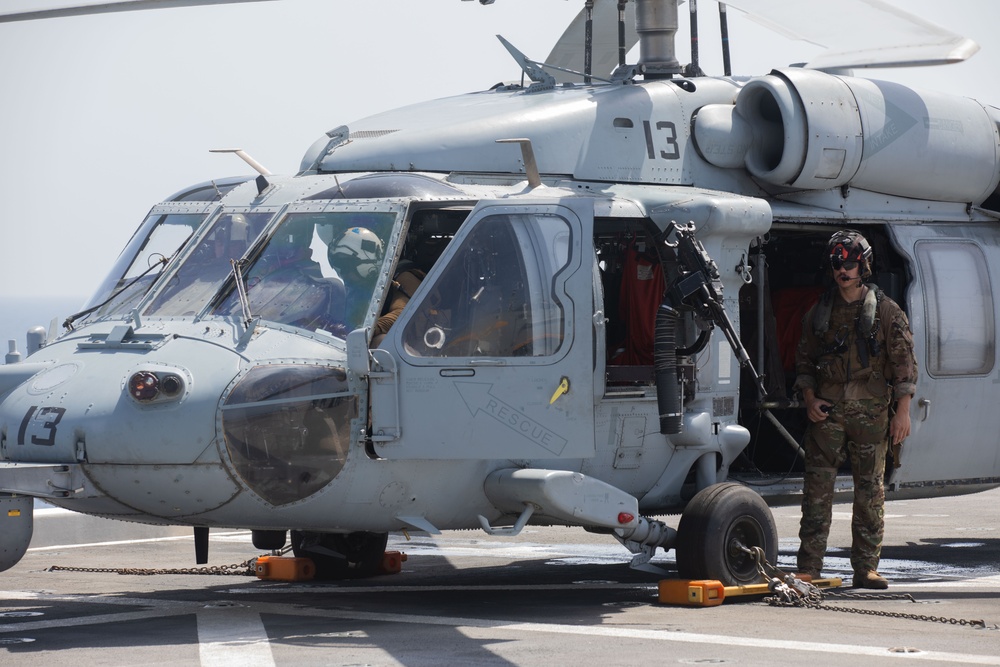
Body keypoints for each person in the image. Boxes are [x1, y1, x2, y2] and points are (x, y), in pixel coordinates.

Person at [793, 230, 917, 589]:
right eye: (837, 264)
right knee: (817, 491)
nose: (842, 270)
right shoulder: (820, 312)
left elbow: (905, 365)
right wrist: (810, 399)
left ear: (863, 265)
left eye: (848, 263)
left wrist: (903, 412)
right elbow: (804, 362)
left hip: (871, 414)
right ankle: (809, 567)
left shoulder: (887, 312)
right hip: (828, 414)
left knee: (870, 492)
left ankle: (865, 567)